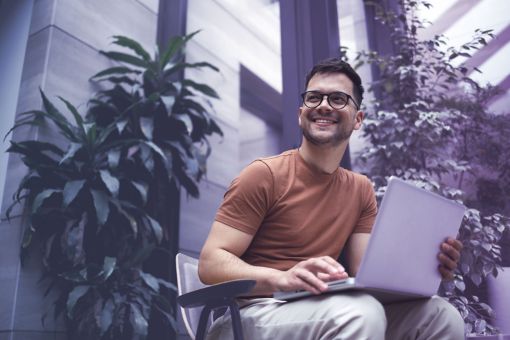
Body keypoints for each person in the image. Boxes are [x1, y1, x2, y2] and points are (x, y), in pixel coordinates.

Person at [198, 58, 464, 339]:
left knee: (441, 316)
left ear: (358, 119)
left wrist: (427, 268)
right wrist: (282, 278)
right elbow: (210, 263)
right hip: (251, 314)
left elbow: (367, 277)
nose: (323, 105)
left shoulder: (360, 189)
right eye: (314, 98)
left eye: (338, 99)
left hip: (321, 309)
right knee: (359, 313)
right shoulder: (264, 174)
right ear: (302, 114)